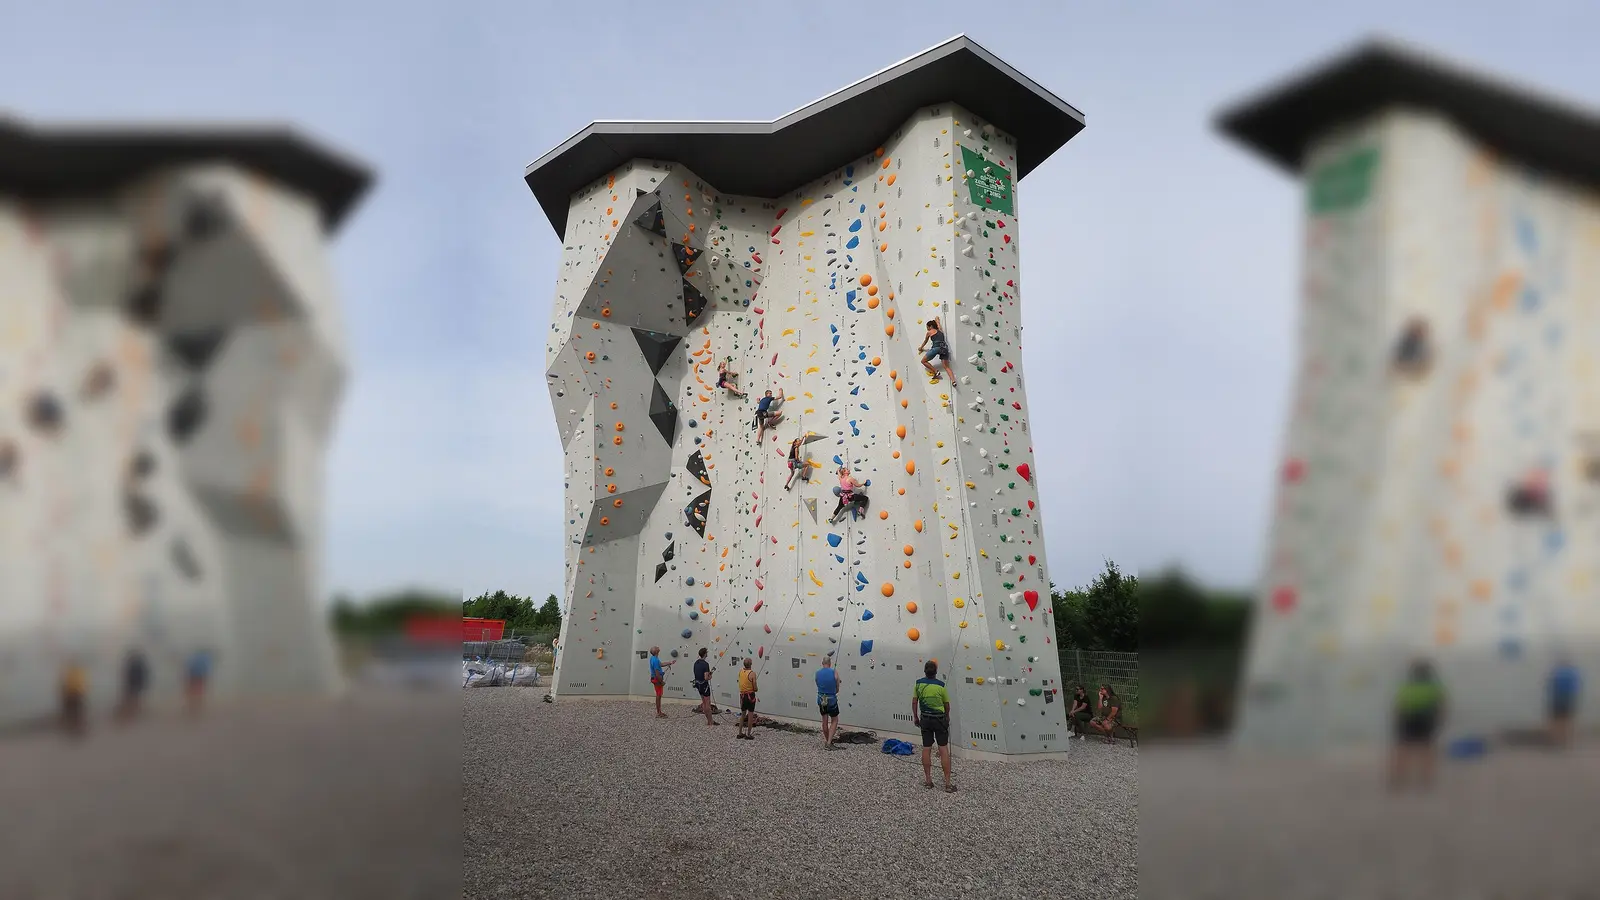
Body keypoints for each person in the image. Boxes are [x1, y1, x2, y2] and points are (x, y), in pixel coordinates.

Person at [1390, 658, 1446, 792]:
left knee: (1403, 749)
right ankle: (1426, 778)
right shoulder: (1433, 687)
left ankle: (1399, 777)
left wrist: (1396, 722)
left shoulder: (1407, 687)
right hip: (1426, 718)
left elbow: (1399, 706)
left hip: (1407, 718)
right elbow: (1441, 705)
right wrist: (1440, 721)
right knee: (1427, 749)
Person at [913, 660, 954, 791]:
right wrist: (947, 717)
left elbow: (914, 702)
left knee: (926, 748)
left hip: (925, 718)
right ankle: (947, 784)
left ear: (925, 671)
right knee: (943, 749)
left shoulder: (918, 684)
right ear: (935, 672)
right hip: (939, 720)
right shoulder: (941, 686)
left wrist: (916, 716)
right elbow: (947, 705)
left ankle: (928, 781)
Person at [1548, 657, 1581, 747]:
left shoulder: (1557, 672)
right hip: (1568, 698)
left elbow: (1552, 686)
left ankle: (1557, 740)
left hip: (1558, 697)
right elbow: (1575, 687)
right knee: (1567, 720)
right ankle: (1566, 740)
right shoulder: (1573, 672)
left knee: (1557, 720)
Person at [917, 318, 955, 383]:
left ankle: (936, 371)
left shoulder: (929, 332)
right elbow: (938, 324)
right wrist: (937, 320)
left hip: (936, 348)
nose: (927, 329)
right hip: (944, 349)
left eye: (927, 327)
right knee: (946, 367)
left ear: (931, 326)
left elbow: (925, 341)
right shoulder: (940, 330)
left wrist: (921, 348)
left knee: (923, 361)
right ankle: (953, 381)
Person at [816, 656, 842, 750]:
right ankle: (829, 742)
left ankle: (827, 741)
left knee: (824, 721)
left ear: (822, 663)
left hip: (821, 699)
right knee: (834, 720)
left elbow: (817, 684)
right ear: (830, 663)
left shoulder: (817, 673)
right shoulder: (834, 672)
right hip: (831, 700)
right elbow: (837, 689)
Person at [117, 647, 149, 723]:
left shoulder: (134, 664)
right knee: (134, 697)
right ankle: (133, 711)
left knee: (134, 697)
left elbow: (127, 674)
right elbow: (127, 674)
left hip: (134, 683)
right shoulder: (136, 664)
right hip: (134, 683)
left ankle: (133, 711)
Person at [60, 658, 88, 738]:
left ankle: (74, 728)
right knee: (76, 713)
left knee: (74, 713)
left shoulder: (71, 672)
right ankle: (75, 728)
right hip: (74, 694)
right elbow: (82, 683)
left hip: (72, 695)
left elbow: (64, 684)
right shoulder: (77, 672)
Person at [648, 646, 675, 718]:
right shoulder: (655, 660)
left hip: (655, 678)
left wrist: (670, 663)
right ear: (656, 651)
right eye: (656, 647)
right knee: (658, 696)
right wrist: (661, 681)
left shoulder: (654, 658)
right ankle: (659, 713)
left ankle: (659, 712)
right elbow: (657, 673)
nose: (658, 647)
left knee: (659, 695)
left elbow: (661, 664)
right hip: (657, 679)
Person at [692, 647, 716, 726]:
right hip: (704, 685)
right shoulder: (705, 664)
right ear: (705, 654)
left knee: (704, 703)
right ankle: (710, 721)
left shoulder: (696, 663)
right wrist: (710, 676)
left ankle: (709, 720)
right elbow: (706, 677)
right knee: (707, 704)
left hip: (698, 685)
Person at [736, 657, 759, 740]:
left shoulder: (741, 671)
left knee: (742, 715)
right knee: (750, 715)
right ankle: (748, 734)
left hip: (742, 696)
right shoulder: (752, 673)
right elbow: (755, 688)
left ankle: (740, 733)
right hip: (750, 696)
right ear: (751, 664)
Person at [185, 648, 212, 716]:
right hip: (199, 677)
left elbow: (189, 667)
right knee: (199, 692)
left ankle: (192, 707)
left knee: (192, 692)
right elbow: (206, 669)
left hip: (193, 677)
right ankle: (197, 707)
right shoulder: (204, 659)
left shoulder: (193, 658)